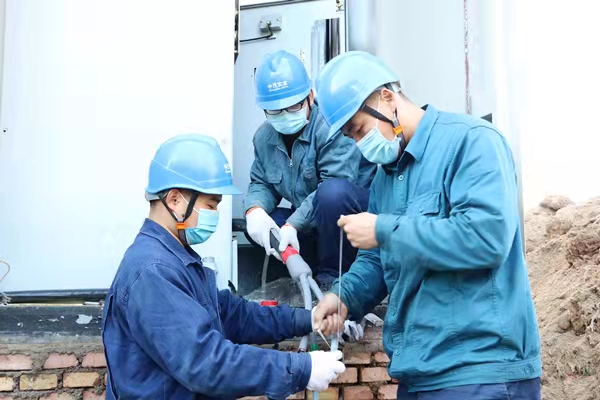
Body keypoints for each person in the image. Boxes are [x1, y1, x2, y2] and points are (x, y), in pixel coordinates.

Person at [311, 51, 542, 399]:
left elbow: (486, 237)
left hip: (480, 371)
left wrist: (384, 229)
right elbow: (377, 260)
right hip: (420, 374)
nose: (360, 144)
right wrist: (344, 297)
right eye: (351, 137)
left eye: (359, 130)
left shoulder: (471, 142)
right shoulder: (385, 178)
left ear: (387, 98)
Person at [102, 134, 345, 399]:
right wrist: (301, 368)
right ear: (174, 200)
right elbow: (205, 363)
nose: (215, 215)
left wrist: (309, 318)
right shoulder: (153, 271)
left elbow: (235, 315)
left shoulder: (176, 260)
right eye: (210, 205)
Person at [244, 50, 376, 290]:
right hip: (311, 223)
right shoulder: (264, 138)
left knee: (332, 194)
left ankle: (335, 277)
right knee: (265, 228)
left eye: (293, 106)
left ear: (311, 96)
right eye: (275, 110)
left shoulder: (331, 126)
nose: (284, 115)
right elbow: (261, 182)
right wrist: (254, 210)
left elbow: (335, 184)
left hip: (351, 224)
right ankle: (305, 271)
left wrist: (293, 225)